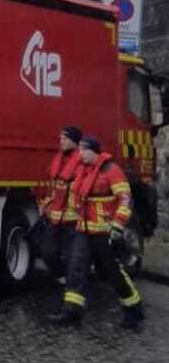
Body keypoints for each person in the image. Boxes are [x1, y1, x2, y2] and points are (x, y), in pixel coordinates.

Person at [52, 134, 144, 327]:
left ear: (94, 152)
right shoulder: (82, 170)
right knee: (75, 269)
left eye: (84, 150)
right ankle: (71, 312)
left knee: (112, 272)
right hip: (83, 230)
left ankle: (133, 309)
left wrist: (118, 224)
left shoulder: (112, 171)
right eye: (80, 150)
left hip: (105, 232)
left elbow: (125, 199)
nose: (81, 153)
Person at [39, 125, 82, 278]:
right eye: (60, 138)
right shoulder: (59, 160)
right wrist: (45, 206)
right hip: (55, 217)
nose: (61, 141)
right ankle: (62, 276)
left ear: (74, 141)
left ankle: (72, 284)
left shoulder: (83, 162)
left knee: (71, 255)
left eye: (65, 138)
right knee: (47, 251)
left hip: (74, 219)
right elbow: (52, 187)